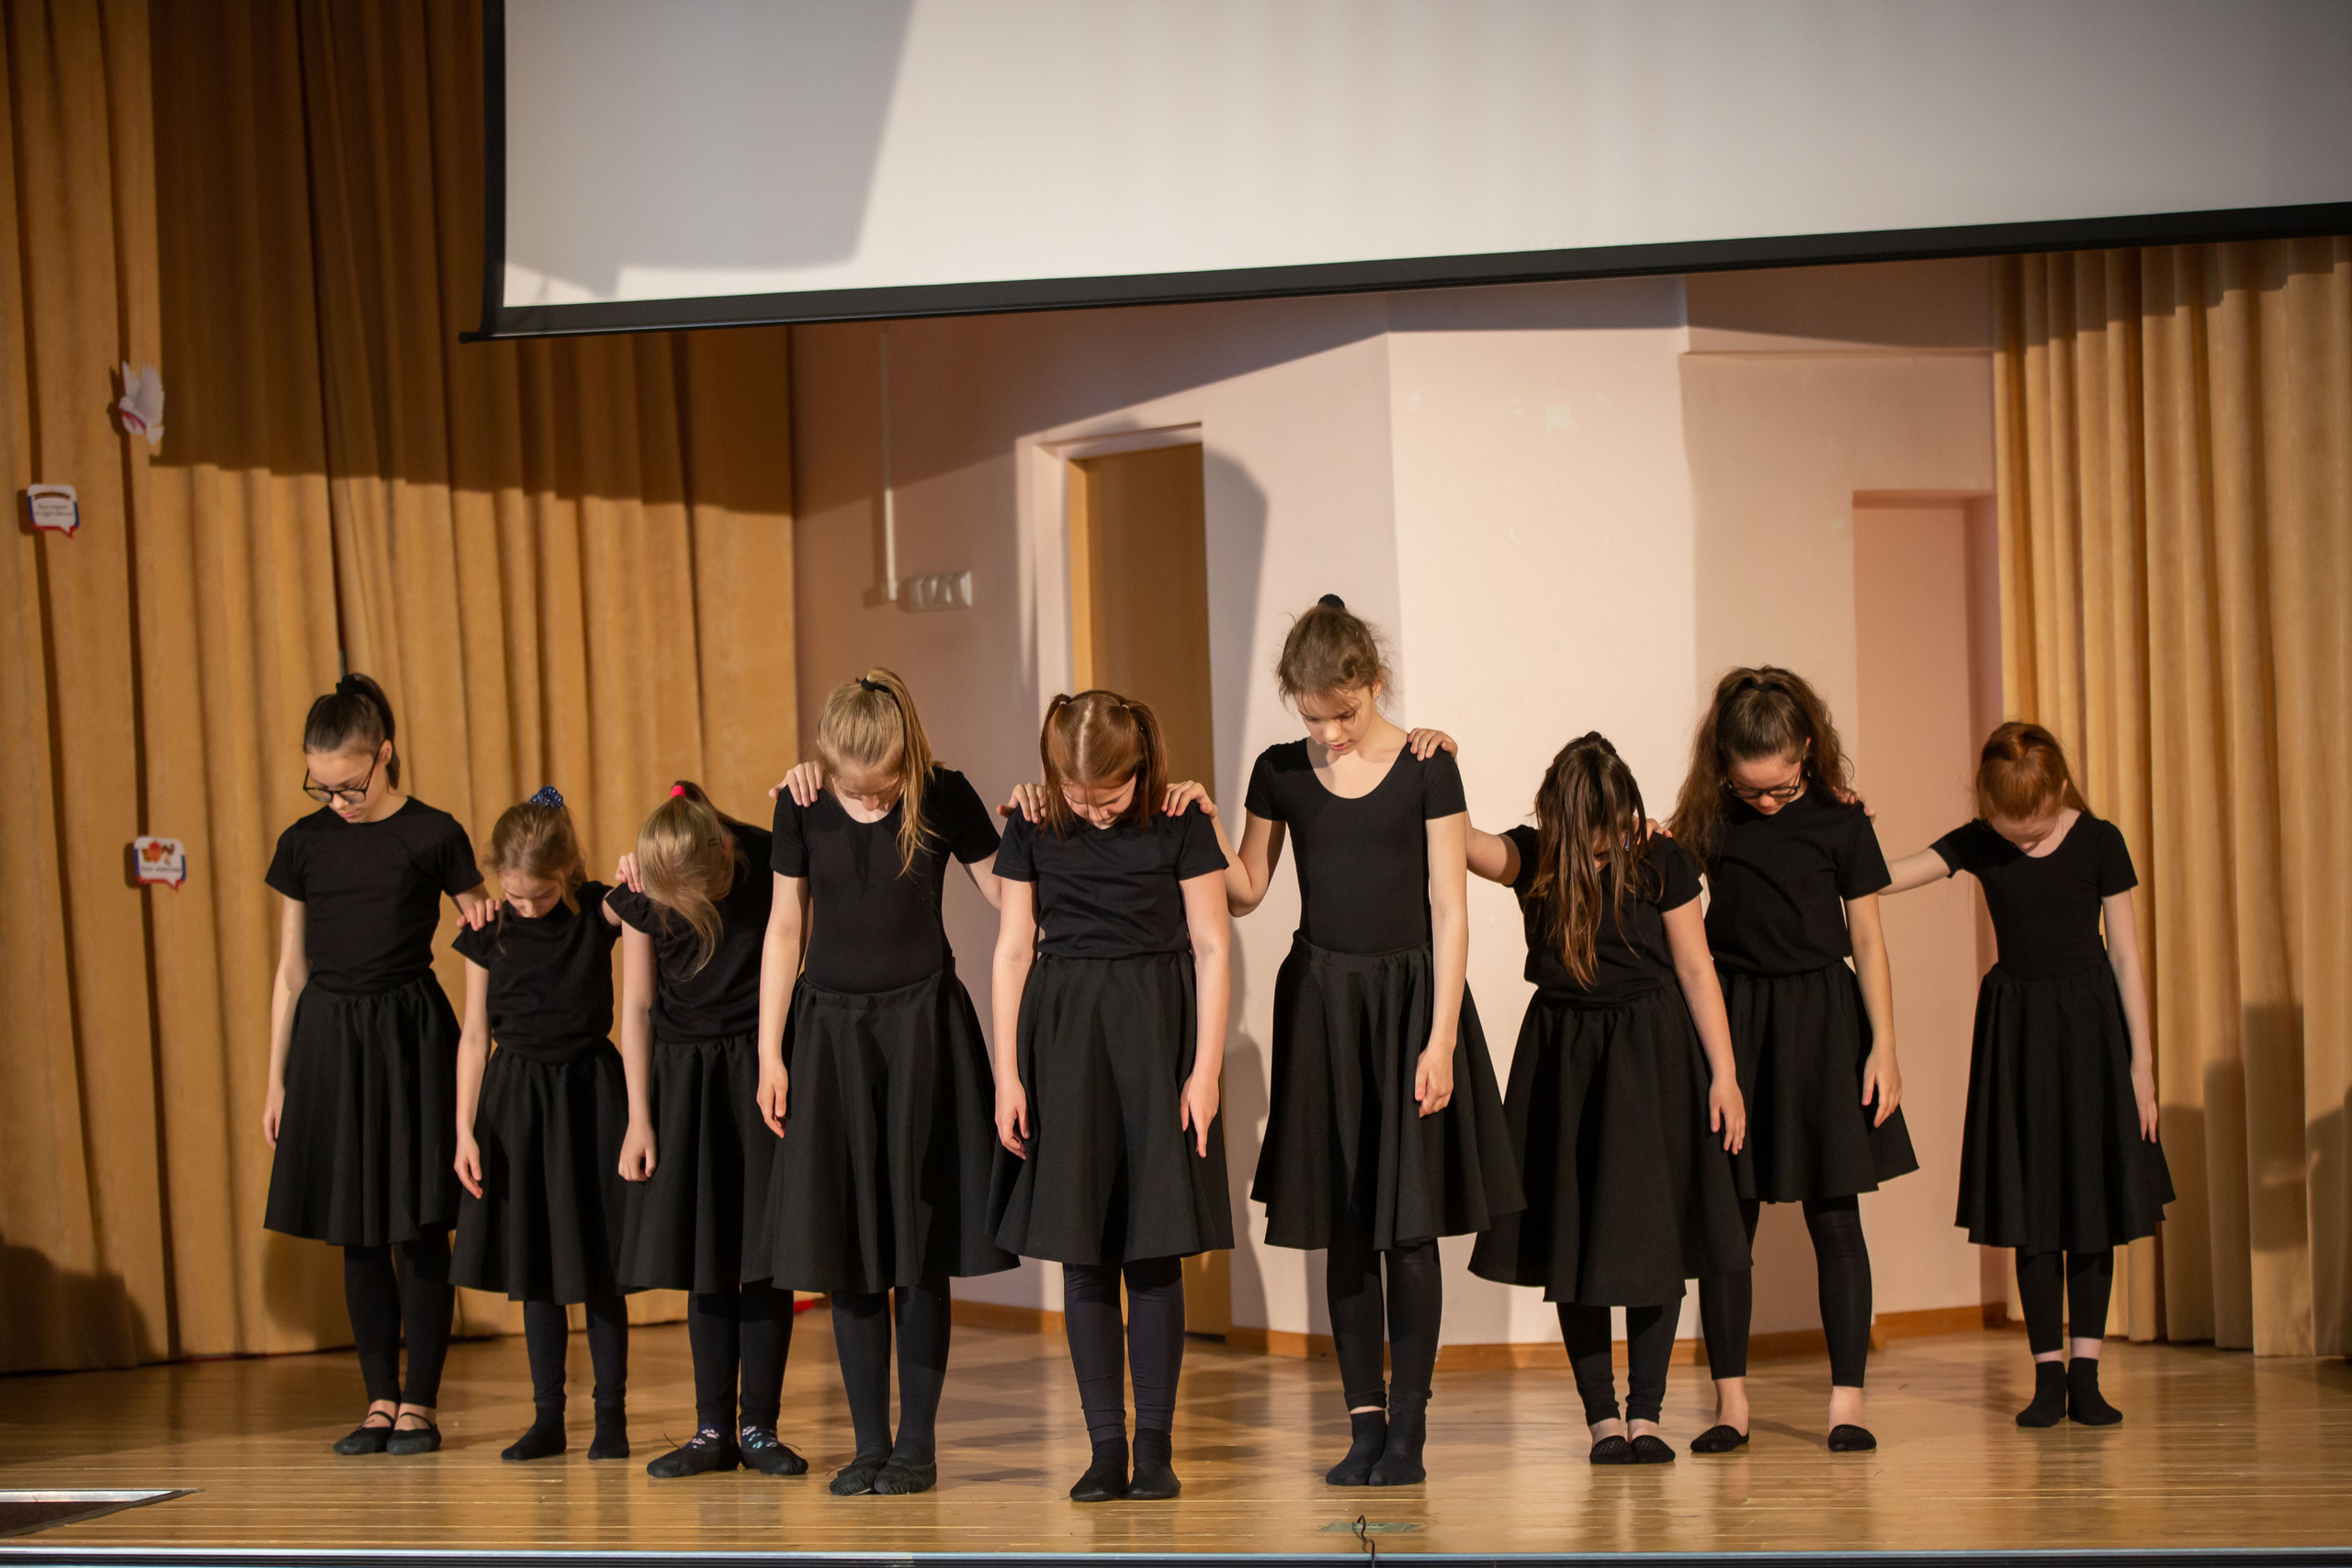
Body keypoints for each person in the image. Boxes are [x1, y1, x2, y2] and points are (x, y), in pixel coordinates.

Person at [1164, 594, 1521, 1486]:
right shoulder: (1279, 772)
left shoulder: (1428, 766)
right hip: (1322, 1006)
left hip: (1409, 1005)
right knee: (1347, 1226)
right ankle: (1363, 1424)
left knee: (1410, 1231)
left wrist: (1440, 1039)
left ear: (1374, 682)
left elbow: (1450, 908)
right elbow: (1247, 889)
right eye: (1312, 717)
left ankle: (1409, 1430)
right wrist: (1203, 820)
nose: (1327, 735)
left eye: (1343, 714)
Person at [761, 671, 1018, 1497]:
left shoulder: (942, 793)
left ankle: (916, 1445)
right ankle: (868, 1443)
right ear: (827, 762)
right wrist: (771, 1051)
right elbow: (785, 926)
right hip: (831, 1039)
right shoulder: (801, 803)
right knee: (850, 1250)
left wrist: (1033, 829)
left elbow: (1007, 894)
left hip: (922, 1035)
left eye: (883, 785)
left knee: (917, 1249)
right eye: (855, 786)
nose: (870, 799)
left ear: (907, 756)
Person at [1467, 733, 1749, 1465]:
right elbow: (1462, 842)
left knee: (1657, 1237)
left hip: (1652, 1057)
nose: (1611, 840)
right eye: (1596, 831)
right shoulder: (1535, 857)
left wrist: (1724, 1073)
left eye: (1619, 823)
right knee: (1575, 1237)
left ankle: (1646, 1412)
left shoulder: (1660, 860)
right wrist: (1430, 757)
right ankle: (1601, 1416)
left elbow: (1697, 967)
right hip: (1564, 1061)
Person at [1881, 721, 2171, 1427]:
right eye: (2010, 826)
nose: (2023, 837)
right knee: (2032, 1210)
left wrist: (2143, 1062)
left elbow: (2126, 956)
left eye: (2034, 824)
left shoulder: (2100, 841)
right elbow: (1888, 876)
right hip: (2017, 1034)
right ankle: (2046, 1376)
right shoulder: (1983, 840)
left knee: (2092, 1206)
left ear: (2059, 788)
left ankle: (2086, 1375)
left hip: (2092, 1030)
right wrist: (1844, 827)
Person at [988, 691, 1232, 1503]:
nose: (1092, 811)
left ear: (1141, 768)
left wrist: (1205, 1068)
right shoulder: (1032, 824)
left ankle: (1155, 1445)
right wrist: (1007, 1074)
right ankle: (1104, 1446)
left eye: (1110, 796)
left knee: (1154, 1249)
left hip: (1157, 1036)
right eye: (1077, 794)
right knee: (1084, 1252)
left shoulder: (1179, 820)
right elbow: (1013, 949)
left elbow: (1212, 944)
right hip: (1066, 1043)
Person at [1665, 668, 1914, 1453]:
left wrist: (1885, 1046)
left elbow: (1868, 939)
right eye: (1752, 790)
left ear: (1807, 749)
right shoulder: (1710, 821)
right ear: (1723, 765)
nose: (1768, 802)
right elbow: (1662, 896)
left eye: (1781, 787)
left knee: (1835, 1216)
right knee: (1728, 1218)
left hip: (1825, 1021)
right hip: (1738, 1023)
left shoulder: (1842, 821)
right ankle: (1730, 1403)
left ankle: (1848, 1402)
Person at [262, 673, 489, 1455]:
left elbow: (485, 929)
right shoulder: (302, 842)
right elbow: (290, 970)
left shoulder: (434, 833)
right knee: (355, 1231)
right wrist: (276, 1078)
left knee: (418, 1227)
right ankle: (379, 1401)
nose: (339, 801)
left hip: (409, 1037)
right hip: (331, 1041)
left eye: (350, 785)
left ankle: (419, 1402)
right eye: (322, 788)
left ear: (384, 753)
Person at [610, 782, 807, 1479]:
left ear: (723, 853)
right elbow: (636, 1007)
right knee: (708, 1259)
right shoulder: (645, 889)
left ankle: (759, 1427)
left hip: (759, 1071)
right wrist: (639, 1116)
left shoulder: (767, 856)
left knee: (764, 1258)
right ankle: (712, 1430)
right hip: (685, 1080)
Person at [449, 786, 631, 1462]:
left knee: (600, 1267)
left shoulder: (598, 910)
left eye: (542, 895)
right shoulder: (487, 930)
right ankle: (547, 1416)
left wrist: (638, 872)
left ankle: (610, 1417)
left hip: (590, 1095)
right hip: (518, 1102)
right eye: (514, 895)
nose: (527, 908)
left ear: (570, 870)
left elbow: (653, 896)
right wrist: (464, 1129)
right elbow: (474, 1036)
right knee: (538, 1268)